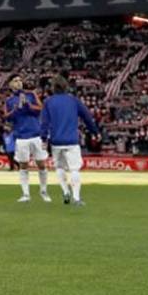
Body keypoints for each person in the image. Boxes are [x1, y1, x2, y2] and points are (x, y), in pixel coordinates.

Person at [41, 75, 101, 207]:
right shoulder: (73, 101)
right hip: (71, 140)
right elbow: (87, 118)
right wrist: (95, 132)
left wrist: (43, 138)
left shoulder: (48, 102)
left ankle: (65, 191)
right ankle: (76, 197)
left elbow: (44, 123)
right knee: (74, 169)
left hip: (56, 140)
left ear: (53, 88)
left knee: (59, 167)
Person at [5, 75, 50, 202]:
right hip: (21, 136)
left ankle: (44, 191)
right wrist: (14, 110)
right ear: (11, 85)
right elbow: (6, 117)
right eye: (15, 80)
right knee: (23, 165)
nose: (19, 82)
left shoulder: (31, 95)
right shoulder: (9, 101)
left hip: (36, 134)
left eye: (20, 80)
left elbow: (40, 109)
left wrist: (28, 105)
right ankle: (26, 194)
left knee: (41, 163)